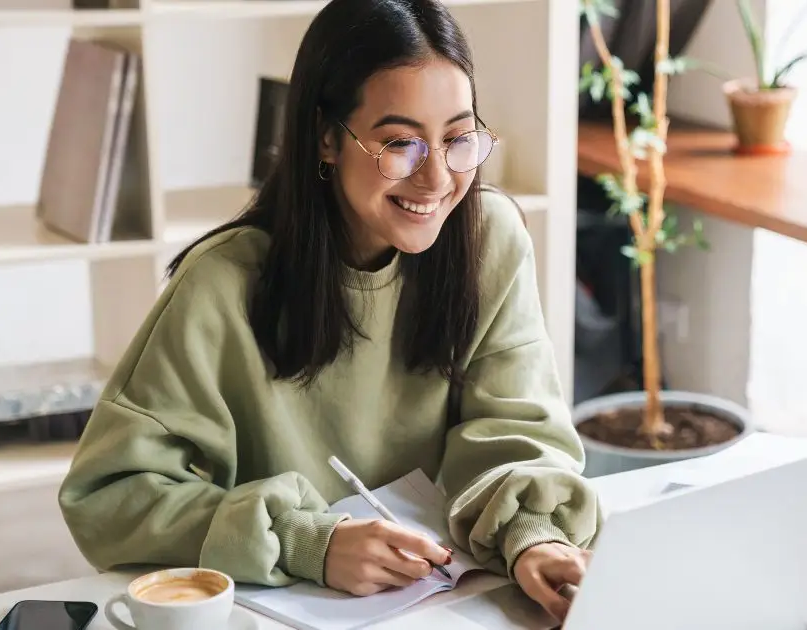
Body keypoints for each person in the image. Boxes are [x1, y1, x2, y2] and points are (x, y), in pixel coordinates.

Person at [57, 0, 602, 621]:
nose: (437, 182)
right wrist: (308, 542)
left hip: (447, 606)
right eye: (400, 144)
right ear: (325, 137)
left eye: (456, 139)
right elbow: (110, 497)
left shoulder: (490, 241)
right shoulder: (223, 284)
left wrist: (535, 535)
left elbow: (518, 430)